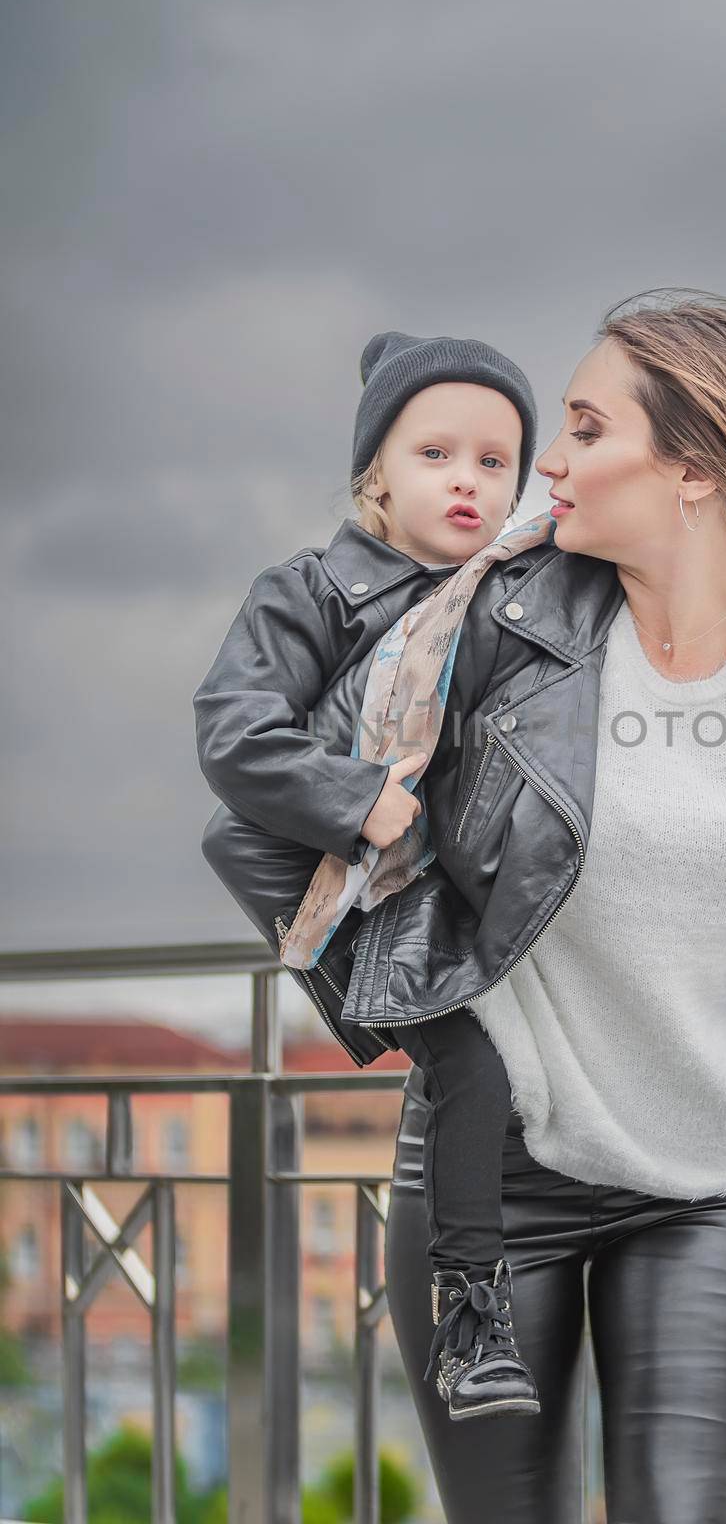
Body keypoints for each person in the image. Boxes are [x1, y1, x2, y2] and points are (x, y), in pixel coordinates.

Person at [337, 289, 726, 1521]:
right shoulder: (488, 624)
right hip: (493, 1177)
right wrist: (408, 1015)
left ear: (691, 467)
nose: (547, 460)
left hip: (709, 1176)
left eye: (581, 428)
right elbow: (286, 808)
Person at [193, 329, 548, 1417]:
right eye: (436, 454)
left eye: (495, 462)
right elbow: (234, 733)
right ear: (373, 475)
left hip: (468, 885)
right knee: (468, 1068)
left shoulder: (515, 591)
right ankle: (471, 1318)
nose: (468, 481)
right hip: (358, 893)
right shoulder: (312, 590)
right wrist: (356, 800)